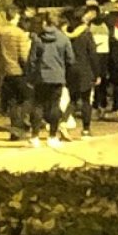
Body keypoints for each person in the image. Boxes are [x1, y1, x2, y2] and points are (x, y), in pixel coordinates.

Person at [26, 13, 75, 148]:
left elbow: (31, 60)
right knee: (54, 106)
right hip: (57, 76)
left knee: (38, 105)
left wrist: (30, 76)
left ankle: (35, 136)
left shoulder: (37, 39)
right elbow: (70, 59)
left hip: (40, 77)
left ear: (44, 23)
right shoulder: (64, 39)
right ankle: (52, 137)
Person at [0, 3, 33, 141]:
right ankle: (23, 124)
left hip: (6, 70)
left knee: (12, 102)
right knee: (27, 98)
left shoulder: (0, 33)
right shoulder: (20, 34)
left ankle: (15, 130)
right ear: (17, 16)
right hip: (19, 71)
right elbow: (23, 56)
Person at [64, 8, 99, 138]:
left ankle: (62, 122)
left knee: (73, 99)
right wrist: (97, 73)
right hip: (85, 69)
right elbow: (93, 55)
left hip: (70, 69)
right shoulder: (86, 34)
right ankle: (86, 129)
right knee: (86, 99)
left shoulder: (66, 32)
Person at [86, 3, 112, 115]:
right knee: (95, 81)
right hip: (94, 55)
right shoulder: (88, 25)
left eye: (93, 12)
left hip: (104, 55)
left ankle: (102, 103)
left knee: (102, 81)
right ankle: (95, 104)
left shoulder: (104, 24)